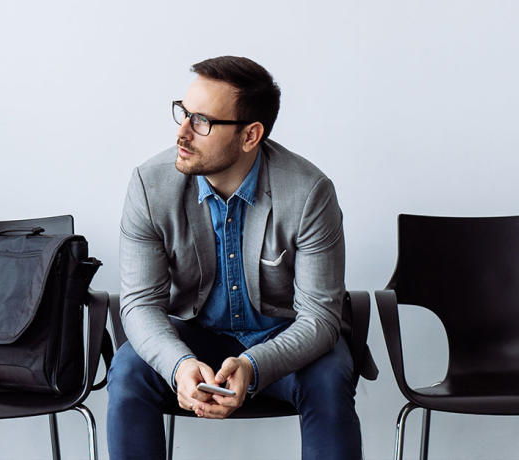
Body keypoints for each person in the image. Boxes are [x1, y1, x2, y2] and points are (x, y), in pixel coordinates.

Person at [106, 56, 360, 460]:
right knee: (128, 369)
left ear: (250, 135)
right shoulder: (149, 186)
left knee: (329, 376)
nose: (182, 134)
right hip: (195, 336)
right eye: (183, 114)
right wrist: (179, 366)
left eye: (202, 121)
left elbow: (318, 319)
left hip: (284, 340)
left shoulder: (309, 193)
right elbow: (139, 305)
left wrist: (253, 366)